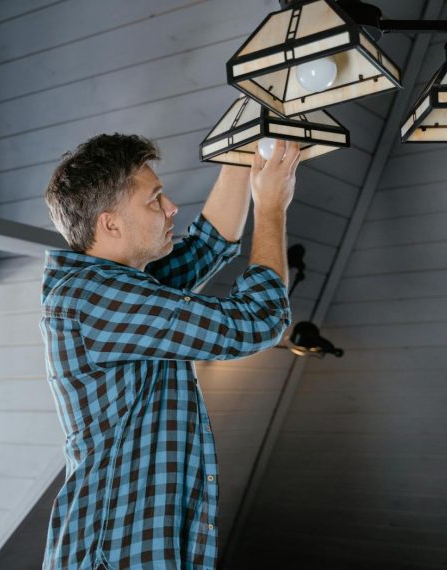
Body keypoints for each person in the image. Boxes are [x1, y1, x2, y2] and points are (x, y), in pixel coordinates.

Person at [40, 133, 299, 569]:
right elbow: (259, 319)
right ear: (110, 224)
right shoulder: (92, 296)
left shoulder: (123, 284)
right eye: (154, 199)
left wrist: (244, 139)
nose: (172, 207)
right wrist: (271, 206)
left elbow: (209, 245)